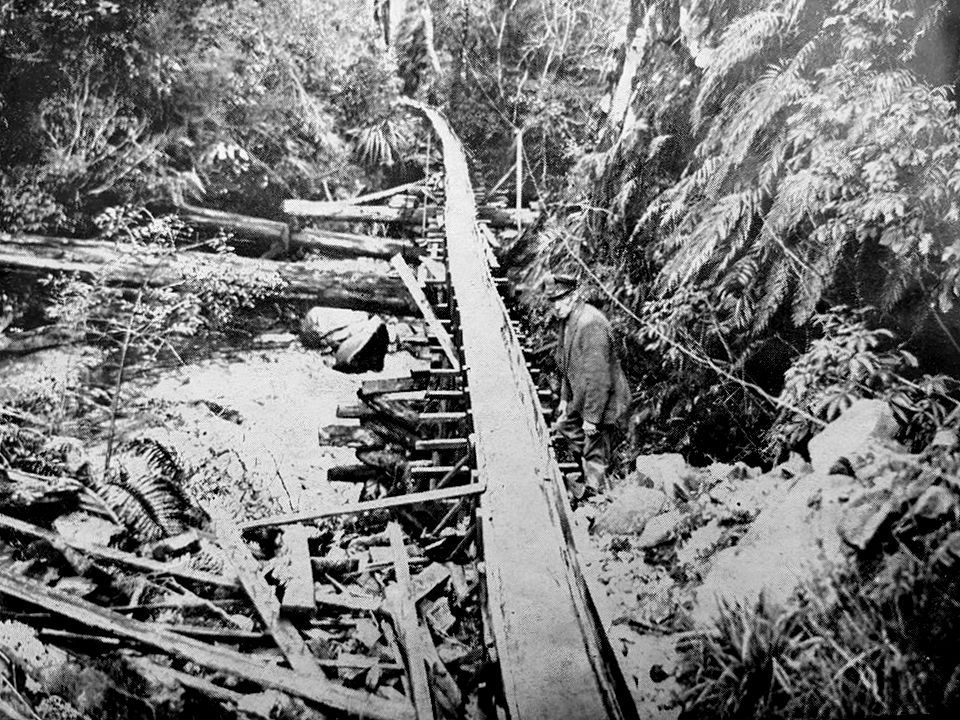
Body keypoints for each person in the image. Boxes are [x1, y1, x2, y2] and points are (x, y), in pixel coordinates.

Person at [546, 273, 630, 500]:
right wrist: (564, 398)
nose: (557, 306)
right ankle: (589, 476)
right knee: (565, 426)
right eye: (553, 301)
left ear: (574, 296)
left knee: (594, 445)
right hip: (581, 395)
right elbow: (566, 364)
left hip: (603, 399)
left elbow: (599, 378)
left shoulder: (591, 324)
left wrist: (592, 418)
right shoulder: (567, 320)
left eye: (561, 299)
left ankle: (596, 496)